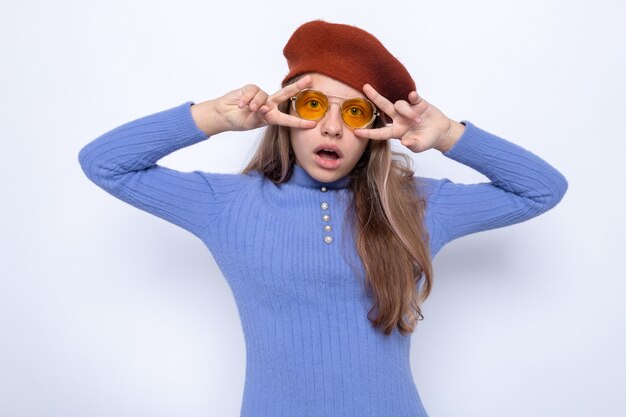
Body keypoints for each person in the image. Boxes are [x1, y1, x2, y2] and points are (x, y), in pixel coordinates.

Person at [78, 19, 567, 417]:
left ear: (375, 128)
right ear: (283, 114)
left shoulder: (414, 205)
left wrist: (447, 134)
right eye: (313, 106)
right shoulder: (227, 204)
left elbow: (543, 189)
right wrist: (217, 116)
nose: (331, 126)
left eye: (354, 113)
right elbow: (105, 163)